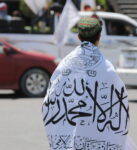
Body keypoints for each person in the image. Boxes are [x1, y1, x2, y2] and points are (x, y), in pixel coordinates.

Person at [42, 17, 130, 150]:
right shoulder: (106, 69)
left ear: (78, 36)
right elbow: (120, 107)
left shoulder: (64, 66)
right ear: (99, 36)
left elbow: (49, 103)